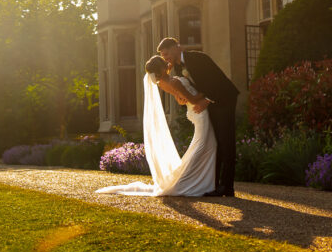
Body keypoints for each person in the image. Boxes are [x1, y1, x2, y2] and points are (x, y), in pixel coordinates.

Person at [96, 55, 216, 197]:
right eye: (164, 61)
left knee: (206, 146)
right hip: (200, 113)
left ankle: (200, 180)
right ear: (162, 68)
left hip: (194, 113)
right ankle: (185, 182)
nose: (167, 61)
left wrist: (168, 67)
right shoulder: (175, 82)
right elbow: (194, 99)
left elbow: (180, 101)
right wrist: (210, 92)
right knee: (205, 147)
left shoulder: (163, 83)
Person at [157, 36, 239, 198]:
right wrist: (183, 97)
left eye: (166, 53)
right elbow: (197, 87)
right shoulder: (179, 68)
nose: (166, 58)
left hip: (225, 99)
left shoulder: (198, 58)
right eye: (163, 56)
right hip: (212, 102)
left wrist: (206, 100)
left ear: (176, 47)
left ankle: (227, 187)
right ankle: (214, 185)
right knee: (216, 143)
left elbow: (218, 81)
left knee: (226, 142)